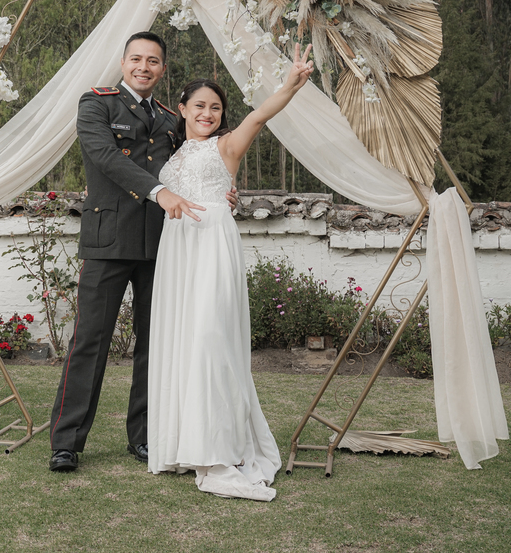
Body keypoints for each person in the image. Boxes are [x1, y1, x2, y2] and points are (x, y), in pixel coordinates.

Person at [48, 31, 236, 473]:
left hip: (161, 243)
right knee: (89, 341)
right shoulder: (97, 104)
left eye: (153, 61)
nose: (143, 67)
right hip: (109, 241)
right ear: (123, 62)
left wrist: (226, 190)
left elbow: (200, 158)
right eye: (136, 59)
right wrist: (158, 191)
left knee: (156, 344)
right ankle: (66, 442)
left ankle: (147, 437)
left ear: (163, 69)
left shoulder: (171, 117)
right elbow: (105, 156)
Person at [147, 44, 314, 501]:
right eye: (200, 106)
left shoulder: (227, 145)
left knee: (210, 339)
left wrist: (291, 83)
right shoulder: (171, 153)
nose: (208, 113)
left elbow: (260, 116)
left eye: (216, 108)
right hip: (177, 248)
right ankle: (184, 443)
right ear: (182, 109)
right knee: (182, 342)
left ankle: (218, 449)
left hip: (212, 245)